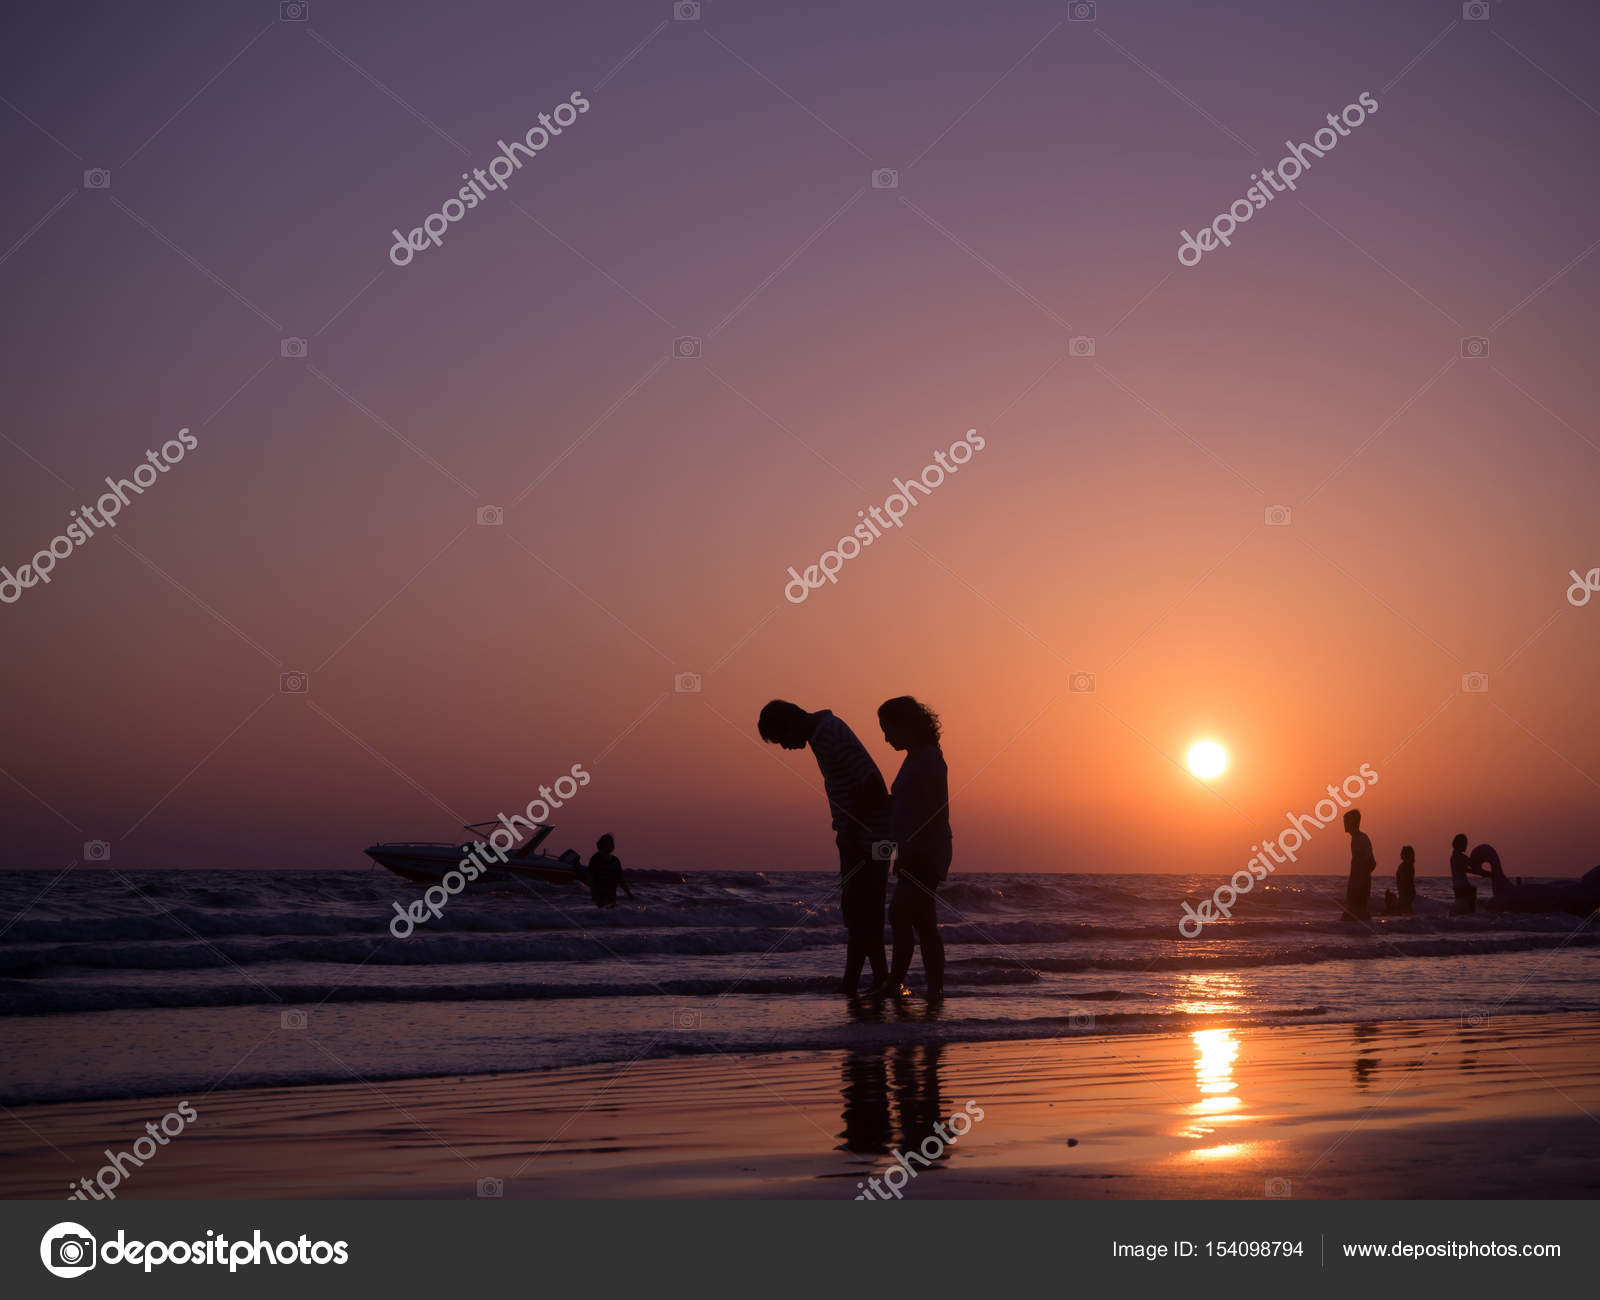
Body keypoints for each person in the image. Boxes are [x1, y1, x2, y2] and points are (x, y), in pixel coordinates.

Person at [758, 700, 892, 994]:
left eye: (782, 739)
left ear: (790, 723)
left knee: (861, 912)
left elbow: (871, 784)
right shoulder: (822, 735)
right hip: (863, 835)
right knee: (860, 913)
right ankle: (867, 980)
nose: (785, 747)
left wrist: (853, 831)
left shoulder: (830, 732)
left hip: (869, 838)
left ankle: (869, 981)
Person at [876, 696, 951, 999]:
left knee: (900, 915)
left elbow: (929, 808)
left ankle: (896, 984)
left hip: (924, 850)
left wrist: (911, 851)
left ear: (906, 725)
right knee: (923, 922)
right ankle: (934, 990)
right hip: (917, 849)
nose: (885, 737)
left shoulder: (928, 758)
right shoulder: (917, 756)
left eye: (888, 728)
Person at [1342, 808, 1375, 921]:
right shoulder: (1356, 838)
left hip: (1359, 883)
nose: (1344, 824)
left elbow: (1371, 862)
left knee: (1355, 912)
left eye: (1346, 821)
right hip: (1358, 882)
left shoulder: (1360, 839)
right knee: (1357, 913)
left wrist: (1361, 880)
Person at [1449, 832, 1489, 915]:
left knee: (1466, 910)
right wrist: (1483, 873)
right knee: (1468, 910)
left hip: (1461, 887)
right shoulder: (1456, 857)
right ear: (1458, 844)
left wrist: (1483, 872)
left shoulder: (1460, 857)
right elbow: (1467, 869)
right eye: (1464, 844)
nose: (1466, 846)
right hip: (1462, 887)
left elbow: (1473, 866)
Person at [588, 833, 631, 908]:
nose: (611, 845)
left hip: (611, 896)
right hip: (600, 896)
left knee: (610, 914)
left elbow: (620, 879)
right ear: (603, 844)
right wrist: (593, 895)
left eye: (612, 843)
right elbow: (591, 879)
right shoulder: (595, 859)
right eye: (609, 843)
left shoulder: (615, 860)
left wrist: (629, 894)